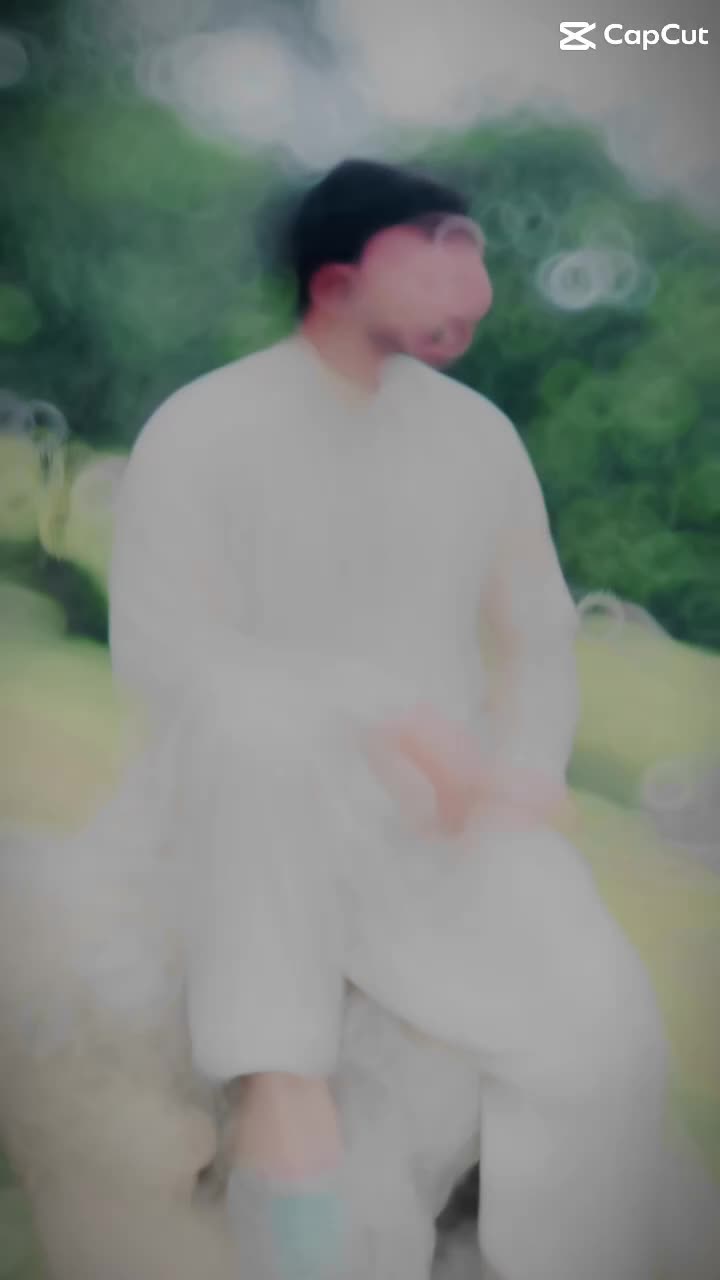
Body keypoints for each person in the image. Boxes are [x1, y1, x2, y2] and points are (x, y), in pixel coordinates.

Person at [106, 158, 672, 1280]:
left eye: (477, 252)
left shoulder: (478, 438)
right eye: (439, 247)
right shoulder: (207, 425)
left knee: (605, 1029)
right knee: (260, 757)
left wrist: (521, 774)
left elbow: (536, 640)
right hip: (255, 801)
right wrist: (376, 713)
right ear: (339, 273)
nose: (474, 283)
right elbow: (164, 656)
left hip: (439, 822)